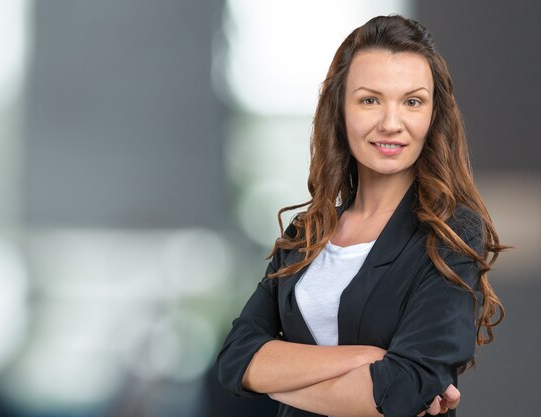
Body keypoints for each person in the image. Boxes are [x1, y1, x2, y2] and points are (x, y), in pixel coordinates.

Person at [216, 15, 505, 417]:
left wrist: (275, 381)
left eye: (412, 101)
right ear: (340, 110)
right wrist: (367, 358)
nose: (391, 123)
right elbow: (235, 358)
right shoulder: (307, 235)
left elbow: (403, 388)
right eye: (370, 100)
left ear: (433, 115)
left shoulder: (450, 235)